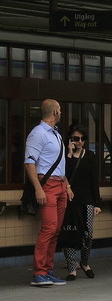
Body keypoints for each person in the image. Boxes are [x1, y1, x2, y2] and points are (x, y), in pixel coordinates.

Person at [23, 99, 72, 286]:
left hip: (59, 185)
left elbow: (60, 164)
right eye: (59, 110)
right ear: (56, 113)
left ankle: (48, 270)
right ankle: (39, 272)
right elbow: (29, 162)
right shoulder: (38, 134)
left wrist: (67, 186)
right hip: (47, 185)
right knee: (49, 228)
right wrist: (38, 188)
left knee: (56, 230)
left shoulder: (56, 135)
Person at [62, 125, 101, 280]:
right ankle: (72, 268)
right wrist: (70, 155)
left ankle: (84, 262)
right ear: (70, 139)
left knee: (88, 233)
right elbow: (64, 175)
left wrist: (97, 203)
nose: (79, 142)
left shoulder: (90, 156)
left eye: (81, 139)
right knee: (69, 232)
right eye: (75, 139)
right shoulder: (64, 157)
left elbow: (94, 181)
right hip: (69, 200)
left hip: (87, 200)